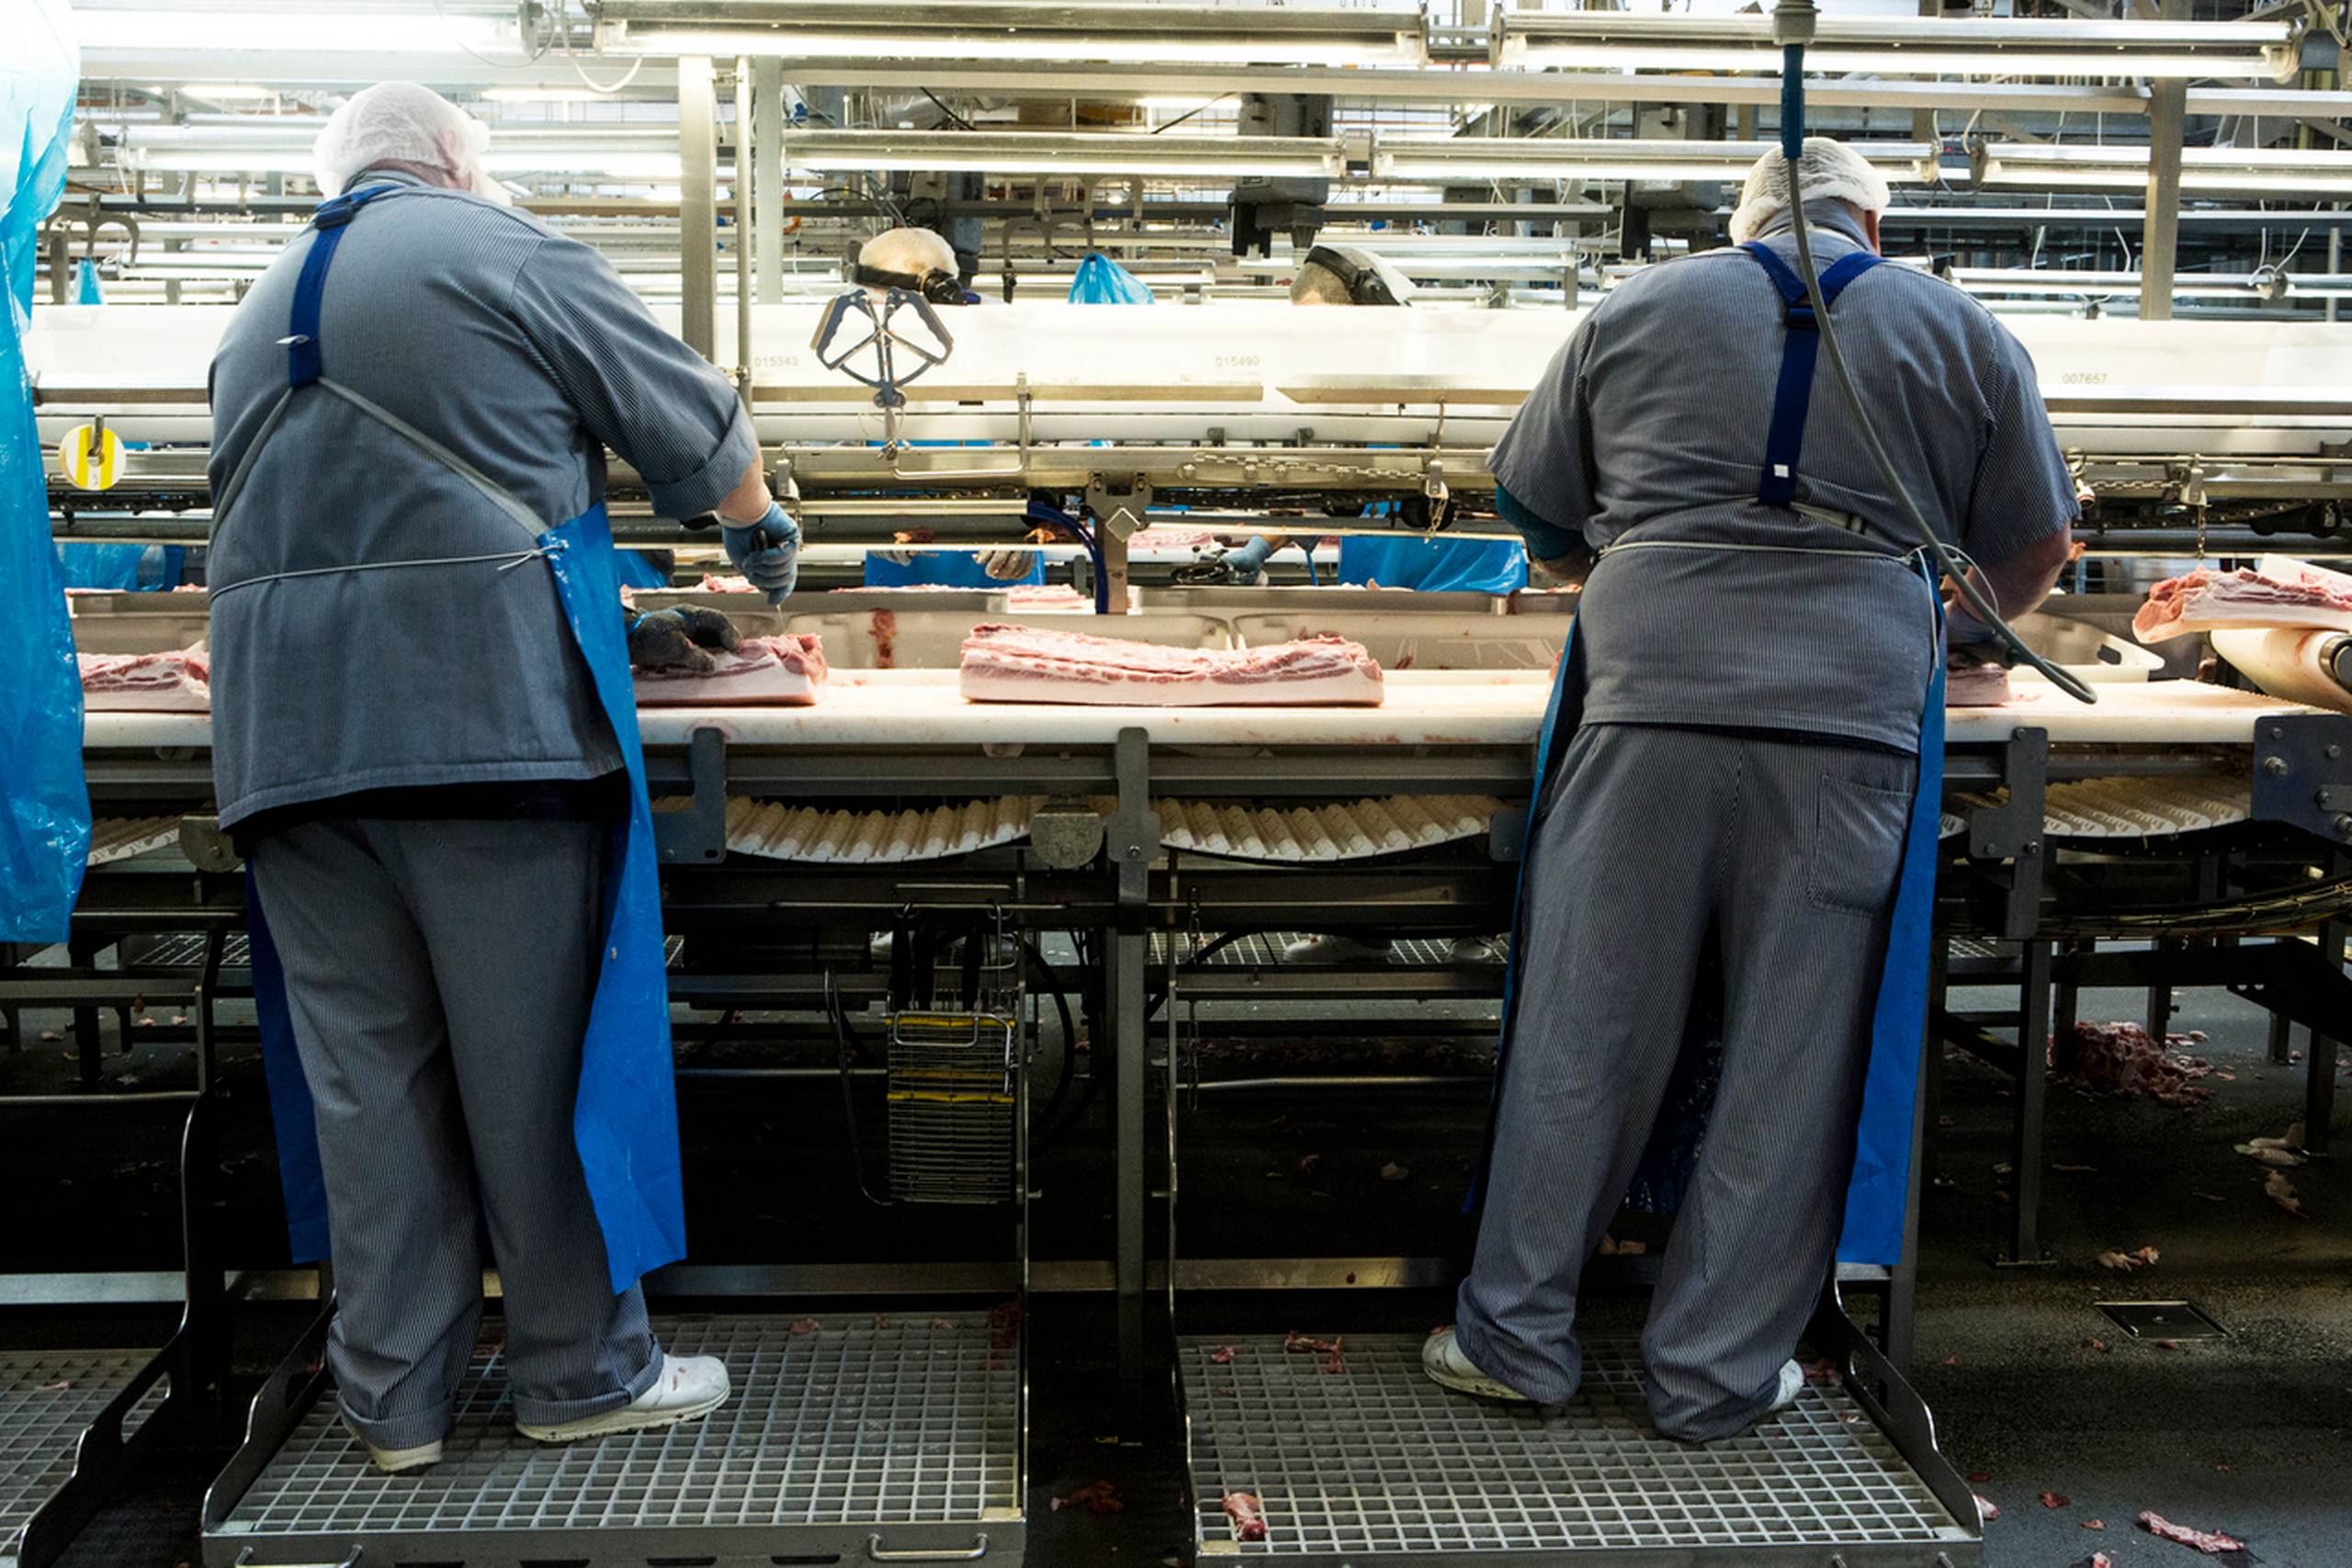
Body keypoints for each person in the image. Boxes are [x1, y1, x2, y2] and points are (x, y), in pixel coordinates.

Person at [1426, 139, 2077, 1440]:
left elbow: (1534, 509)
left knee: (1587, 1023)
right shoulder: (1963, 330)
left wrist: (1646, 558)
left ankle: (1514, 1338)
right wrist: (1945, 629)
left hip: (1648, 699)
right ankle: (1712, 1373)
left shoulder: (1639, 305)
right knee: (1794, 1047)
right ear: (1871, 225)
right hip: (1850, 717)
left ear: (1745, 224)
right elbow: (2039, 540)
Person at [207, 82, 799, 1473]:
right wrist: (761, 534)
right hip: (481, 728)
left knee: (369, 1089)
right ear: (456, 161)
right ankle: (580, 1372)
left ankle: (392, 1403)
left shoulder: (256, 305)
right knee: (532, 1076)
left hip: (286, 748)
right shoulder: (502, 250)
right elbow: (698, 428)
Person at [1210, 244, 1528, 600]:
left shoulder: (1451, 376)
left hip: (1472, 591)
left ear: (1373, 308)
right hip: (1372, 591)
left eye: (1325, 331)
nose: (1317, 347)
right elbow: (1322, 496)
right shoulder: (1341, 394)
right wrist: (1258, 548)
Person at [853, 226, 1048, 590]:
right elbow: (821, 452)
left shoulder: (1008, 345)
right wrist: (865, 526)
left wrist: (1035, 528)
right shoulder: (855, 354)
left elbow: (1070, 456)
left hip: (1001, 578)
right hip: (896, 580)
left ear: (940, 293)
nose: (880, 321)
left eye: (887, 304)